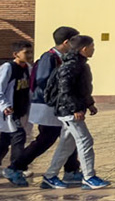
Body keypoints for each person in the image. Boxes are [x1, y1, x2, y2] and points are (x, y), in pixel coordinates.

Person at [13, 27, 81, 186]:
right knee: (46, 139)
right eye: (75, 41)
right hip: (47, 106)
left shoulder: (64, 58)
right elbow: (43, 81)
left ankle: (71, 171)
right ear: (66, 42)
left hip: (58, 105)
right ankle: (15, 167)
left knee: (69, 136)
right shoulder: (49, 58)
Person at [40, 35, 108, 189]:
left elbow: (83, 88)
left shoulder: (80, 64)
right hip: (68, 110)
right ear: (84, 48)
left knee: (67, 144)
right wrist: (75, 108)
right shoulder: (70, 66)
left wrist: (89, 104)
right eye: (92, 46)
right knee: (85, 141)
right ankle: (89, 177)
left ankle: (50, 176)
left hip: (73, 109)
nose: (94, 49)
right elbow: (66, 90)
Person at [0, 40, 33, 183]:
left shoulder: (28, 68)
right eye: (26, 53)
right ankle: (16, 168)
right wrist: (4, 106)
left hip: (22, 109)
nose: (30, 55)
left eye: (31, 52)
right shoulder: (7, 68)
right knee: (18, 136)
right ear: (16, 54)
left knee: (6, 138)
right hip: (10, 110)